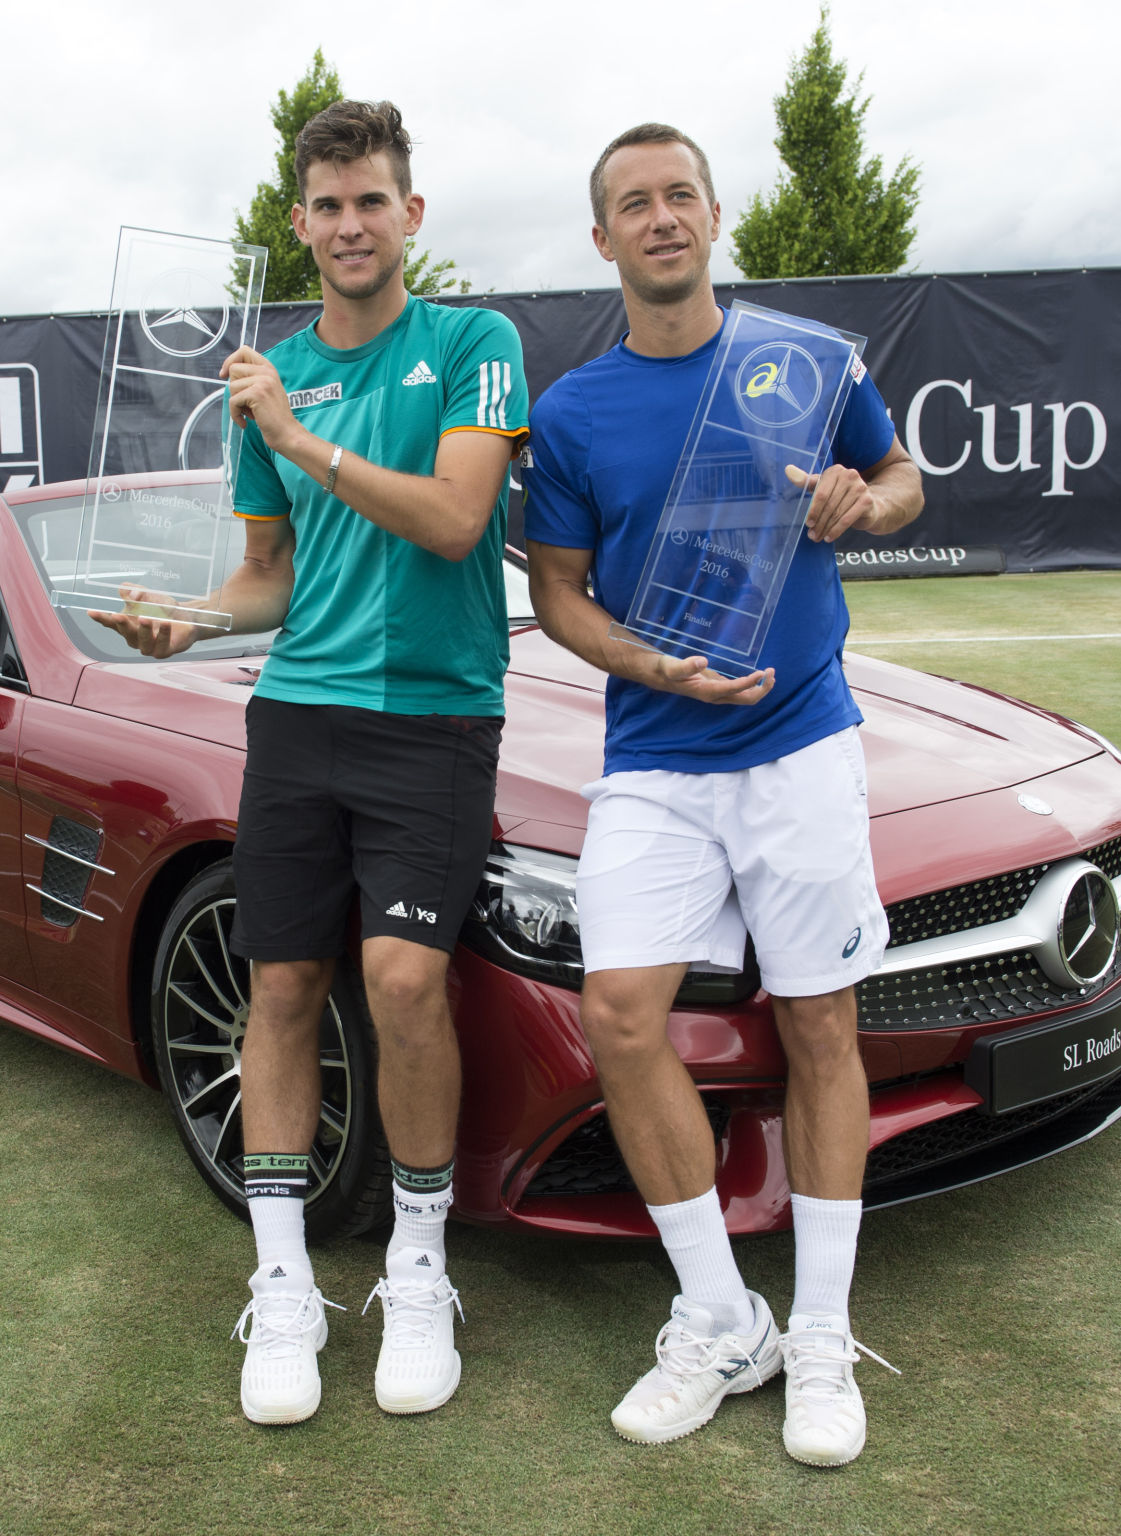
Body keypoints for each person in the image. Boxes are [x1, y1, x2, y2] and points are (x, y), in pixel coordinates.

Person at [93, 100, 529, 1426]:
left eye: (371, 200)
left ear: (410, 214)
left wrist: (297, 435)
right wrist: (196, 619)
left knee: (401, 980)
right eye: (327, 205)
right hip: (294, 717)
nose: (350, 224)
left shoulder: (470, 342)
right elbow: (268, 579)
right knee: (278, 983)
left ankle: (414, 1267)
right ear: (302, 223)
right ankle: (283, 1283)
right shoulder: (268, 377)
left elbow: (457, 523)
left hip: (436, 716)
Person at [522, 123, 923, 1467]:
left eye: (677, 194)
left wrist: (866, 500)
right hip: (653, 751)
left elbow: (905, 481)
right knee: (619, 1015)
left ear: (710, 214)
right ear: (602, 239)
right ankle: (717, 1315)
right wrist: (650, 666)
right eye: (630, 203)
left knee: (818, 1017)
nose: (658, 217)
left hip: (802, 739)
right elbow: (557, 596)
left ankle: (815, 1332)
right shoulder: (573, 411)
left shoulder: (804, 360)